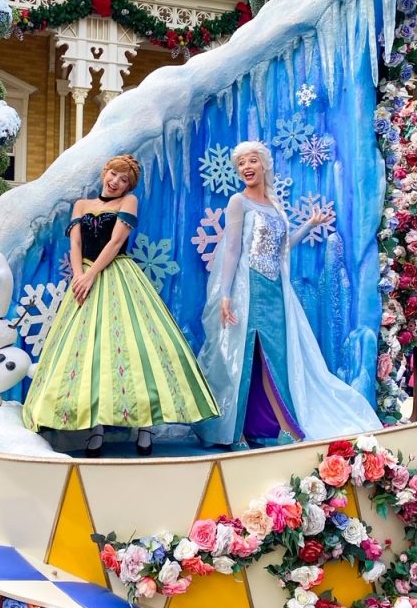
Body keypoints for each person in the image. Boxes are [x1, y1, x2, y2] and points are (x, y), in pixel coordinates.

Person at [22, 154, 219, 457]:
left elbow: (115, 243)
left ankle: (144, 427)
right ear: (105, 172)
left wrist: (91, 274)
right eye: (114, 174)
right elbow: (74, 244)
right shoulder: (82, 205)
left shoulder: (128, 203)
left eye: (123, 179)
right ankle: (96, 428)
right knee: (91, 353)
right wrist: (79, 277)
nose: (116, 182)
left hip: (117, 275)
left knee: (135, 348)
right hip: (84, 278)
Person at [196, 141, 380, 448]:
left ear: (263, 164)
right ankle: (234, 430)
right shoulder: (238, 202)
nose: (246, 167)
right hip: (249, 288)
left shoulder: (275, 203)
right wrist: (225, 294)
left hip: (275, 292)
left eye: (252, 160)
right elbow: (231, 250)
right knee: (245, 355)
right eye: (241, 163)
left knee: (275, 357)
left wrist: (309, 224)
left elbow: (281, 250)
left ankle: (285, 426)